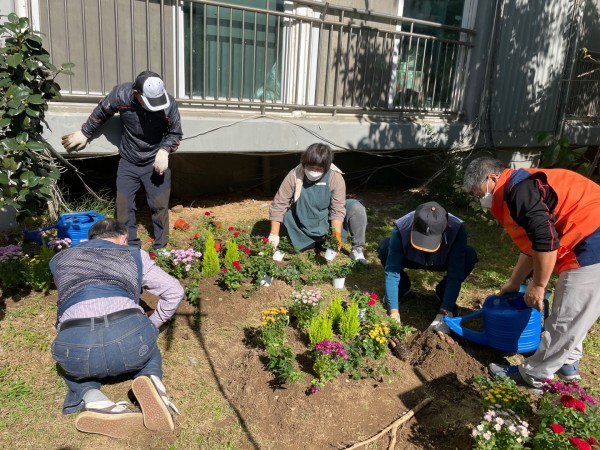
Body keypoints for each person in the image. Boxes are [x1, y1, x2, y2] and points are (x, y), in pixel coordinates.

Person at [463, 156, 600, 389]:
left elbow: (545, 239)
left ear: (492, 178)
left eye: (478, 194)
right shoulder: (516, 188)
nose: (479, 200)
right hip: (586, 232)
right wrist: (515, 283)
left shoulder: (519, 191)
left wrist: (538, 285)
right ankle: (567, 363)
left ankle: (533, 376)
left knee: (566, 316)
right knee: (575, 309)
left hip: (592, 238)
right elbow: (531, 245)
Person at [49, 218, 184, 438]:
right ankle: (152, 381)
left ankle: (94, 399)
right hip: (129, 337)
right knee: (150, 351)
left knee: (73, 370)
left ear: (90, 239)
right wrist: (153, 322)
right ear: (123, 239)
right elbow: (175, 291)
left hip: (77, 342)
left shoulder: (61, 260)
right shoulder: (132, 254)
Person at [61, 71, 183, 250]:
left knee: (159, 206)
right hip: (129, 160)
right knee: (124, 206)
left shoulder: (168, 103)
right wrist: (85, 132)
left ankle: (161, 247)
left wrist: (165, 150)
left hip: (155, 161)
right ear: (136, 93)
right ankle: (130, 247)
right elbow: (102, 111)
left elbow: (175, 132)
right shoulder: (121, 95)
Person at [377, 201, 478, 339]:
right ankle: (401, 288)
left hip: (441, 261)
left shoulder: (457, 230)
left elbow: (455, 275)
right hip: (411, 258)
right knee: (384, 247)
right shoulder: (402, 227)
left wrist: (444, 314)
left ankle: (444, 294)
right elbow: (392, 272)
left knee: (469, 256)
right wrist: (393, 312)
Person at [268, 143, 368, 263]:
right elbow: (279, 203)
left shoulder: (335, 177)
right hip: (301, 223)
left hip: (327, 223)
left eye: (318, 169)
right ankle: (305, 240)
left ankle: (357, 249)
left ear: (326, 167)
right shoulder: (295, 174)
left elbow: (337, 209)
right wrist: (274, 234)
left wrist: (335, 235)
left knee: (356, 207)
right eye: (310, 168)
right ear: (304, 164)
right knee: (287, 217)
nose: (313, 172)